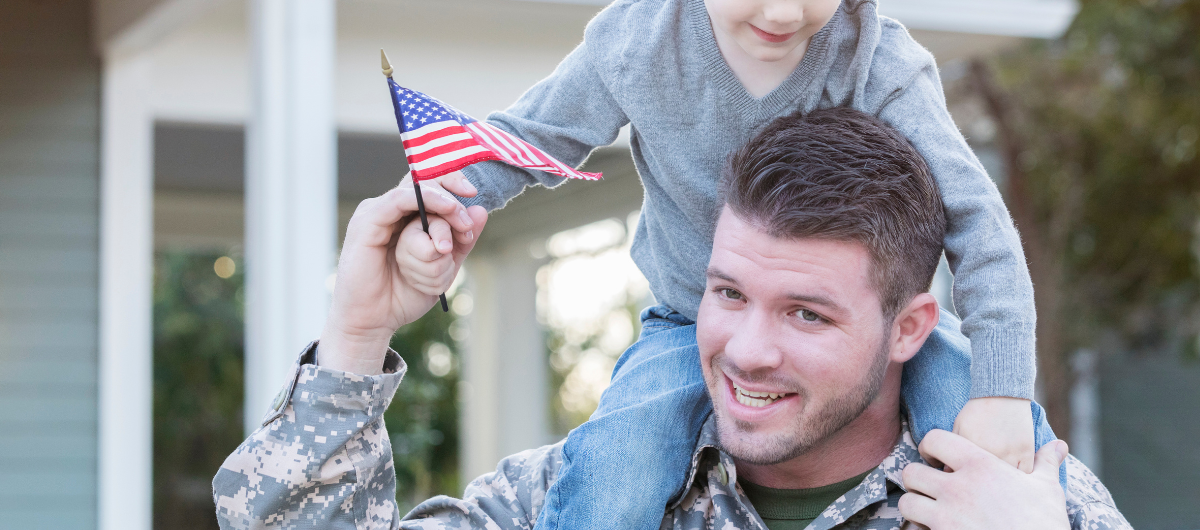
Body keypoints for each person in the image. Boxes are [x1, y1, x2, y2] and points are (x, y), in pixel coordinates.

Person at [411, 0, 1053, 530]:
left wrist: (1006, 390)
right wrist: (445, 203)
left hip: (871, 335)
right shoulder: (638, 44)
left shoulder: (877, 61)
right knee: (612, 486)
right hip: (689, 321)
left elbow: (976, 221)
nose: (784, 10)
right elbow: (529, 137)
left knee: (995, 460)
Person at [212, 108, 1130, 530]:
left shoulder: (1025, 506)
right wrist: (357, 334)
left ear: (910, 327)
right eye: (727, 294)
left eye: (806, 313)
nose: (747, 348)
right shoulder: (577, 498)